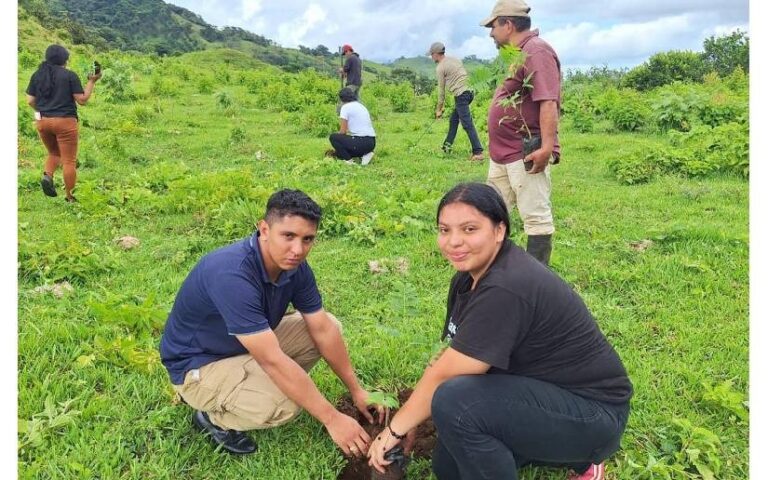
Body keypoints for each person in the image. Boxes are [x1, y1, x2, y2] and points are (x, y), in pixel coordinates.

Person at [367, 183, 632, 480]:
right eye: (444, 230)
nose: (454, 241)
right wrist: (411, 420)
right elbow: (446, 357)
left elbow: (449, 377)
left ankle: (584, 459)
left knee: (455, 402)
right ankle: (549, 450)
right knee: (448, 469)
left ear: (499, 230)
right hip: (540, 393)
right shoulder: (466, 279)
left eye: (469, 229)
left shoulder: (507, 286)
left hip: (593, 415)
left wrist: (394, 429)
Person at [160, 189, 383, 456]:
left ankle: (254, 386)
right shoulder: (231, 274)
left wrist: (356, 390)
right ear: (264, 229)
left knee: (330, 325)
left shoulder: (294, 267)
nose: (298, 250)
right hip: (198, 366)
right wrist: (332, 419)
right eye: (288, 236)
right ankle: (212, 418)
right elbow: (272, 361)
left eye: (307, 239)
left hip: (243, 346)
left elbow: (322, 329)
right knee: (285, 404)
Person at [482, 0, 562, 265]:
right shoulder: (518, 53)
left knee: (535, 216)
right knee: (492, 211)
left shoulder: (536, 51)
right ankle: (498, 271)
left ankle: (537, 280)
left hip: (524, 151)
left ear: (508, 24)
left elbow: (548, 100)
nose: (491, 33)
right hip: (502, 153)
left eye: (493, 26)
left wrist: (546, 147)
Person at [25, 44, 101, 203]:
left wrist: (43, 111)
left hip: (43, 122)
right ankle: (70, 196)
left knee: (54, 153)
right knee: (68, 161)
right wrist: (92, 81)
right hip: (65, 122)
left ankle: (47, 175)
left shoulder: (37, 75)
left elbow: (30, 100)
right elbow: (82, 100)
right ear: (64, 59)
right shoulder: (69, 75)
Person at [428, 42, 484, 162]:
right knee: (453, 120)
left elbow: (441, 91)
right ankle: (446, 147)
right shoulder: (455, 59)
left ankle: (478, 152)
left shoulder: (440, 68)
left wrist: (438, 109)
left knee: (467, 123)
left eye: (431, 54)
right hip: (470, 91)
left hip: (461, 94)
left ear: (436, 54)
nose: (431, 57)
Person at [328, 87, 376, 166]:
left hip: (360, 142)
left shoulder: (345, 107)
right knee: (340, 153)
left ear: (341, 99)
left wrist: (339, 139)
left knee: (333, 137)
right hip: (371, 142)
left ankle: (349, 161)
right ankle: (366, 154)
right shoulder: (361, 106)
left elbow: (343, 132)